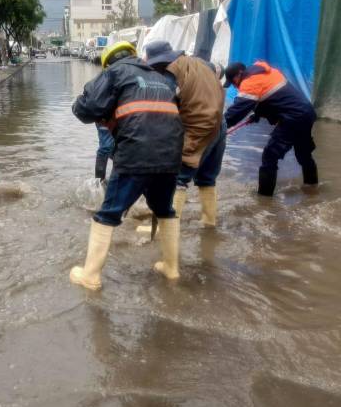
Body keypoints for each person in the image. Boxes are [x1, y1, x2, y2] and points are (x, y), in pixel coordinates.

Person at [70, 41, 184, 290]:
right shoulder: (163, 78)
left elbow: (87, 108)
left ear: (108, 62)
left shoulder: (115, 72)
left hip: (136, 154)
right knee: (165, 209)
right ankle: (171, 268)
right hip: (170, 154)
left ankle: (90, 275)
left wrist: (83, 106)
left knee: (109, 213)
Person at [145, 40, 226, 227]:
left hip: (199, 128)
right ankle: (209, 222)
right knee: (207, 178)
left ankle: (167, 231)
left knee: (177, 179)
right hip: (220, 124)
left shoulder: (169, 75)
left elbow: (163, 113)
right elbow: (222, 72)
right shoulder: (200, 63)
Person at [223, 61, 318, 196]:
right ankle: (312, 188)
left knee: (269, 156)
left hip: (293, 118)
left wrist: (218, 126)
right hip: (306, 113)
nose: (234, 85)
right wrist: (257, 114)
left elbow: (235, 112)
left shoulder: (249, 82)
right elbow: (274, 97)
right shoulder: (266, 72)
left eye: (233, 81)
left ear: (239, 73)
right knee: (303, 154)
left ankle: (264, 200)